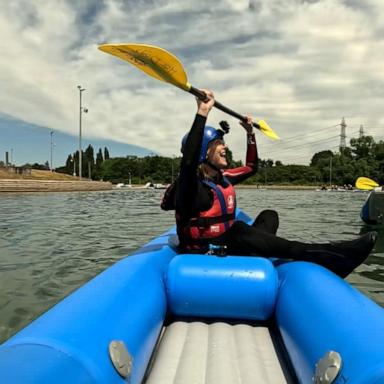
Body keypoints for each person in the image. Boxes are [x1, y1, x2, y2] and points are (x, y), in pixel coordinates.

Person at [161, 89, 377, 278]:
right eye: (218, 143)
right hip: (205, 254)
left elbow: (252, 167)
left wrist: (250, 133)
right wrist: (202, 112)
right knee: (239, 230)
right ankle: (330, 255)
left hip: (228, 245)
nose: (224, 147)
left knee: (269, 215)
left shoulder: (223, 178)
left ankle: (263, 251)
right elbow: (188, 163)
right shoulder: (190, 187)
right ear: (202, 152)